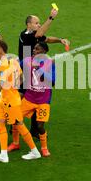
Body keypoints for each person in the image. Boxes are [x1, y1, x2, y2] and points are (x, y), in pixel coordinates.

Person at [0, 40, 41, 163]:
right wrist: (14, 87)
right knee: (0, 123)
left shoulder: (3, 65)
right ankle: (3, 154)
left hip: (10, 101)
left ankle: (35, 152)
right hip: (6, 99)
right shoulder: (13, 61)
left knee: (19, 125)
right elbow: (21, 77)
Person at [18, 7, 69, 138]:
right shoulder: (26, 35)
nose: (39, 25)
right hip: (26, 71)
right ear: (29, 24)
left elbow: (45, 39)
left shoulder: (33, 35)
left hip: (33, 71)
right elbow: (40, 35)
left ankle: (32, 129)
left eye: (39, 23)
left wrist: (60, 40)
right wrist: (51, 18)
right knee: (21, 97)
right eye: (36, 23)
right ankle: (14, 123)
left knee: (35, 97)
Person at [8, 42, 55, 157]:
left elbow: (53, 80)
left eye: (37, 49)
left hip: (43, 100)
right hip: (29, 98)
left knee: (40, 126)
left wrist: (40, 69)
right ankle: (15, 143)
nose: (34, 50)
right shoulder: (27, 61)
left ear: (44, 52)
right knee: (15, 119)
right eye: (34, 48)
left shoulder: (49, 64)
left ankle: (44, 148)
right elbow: (17, 66)